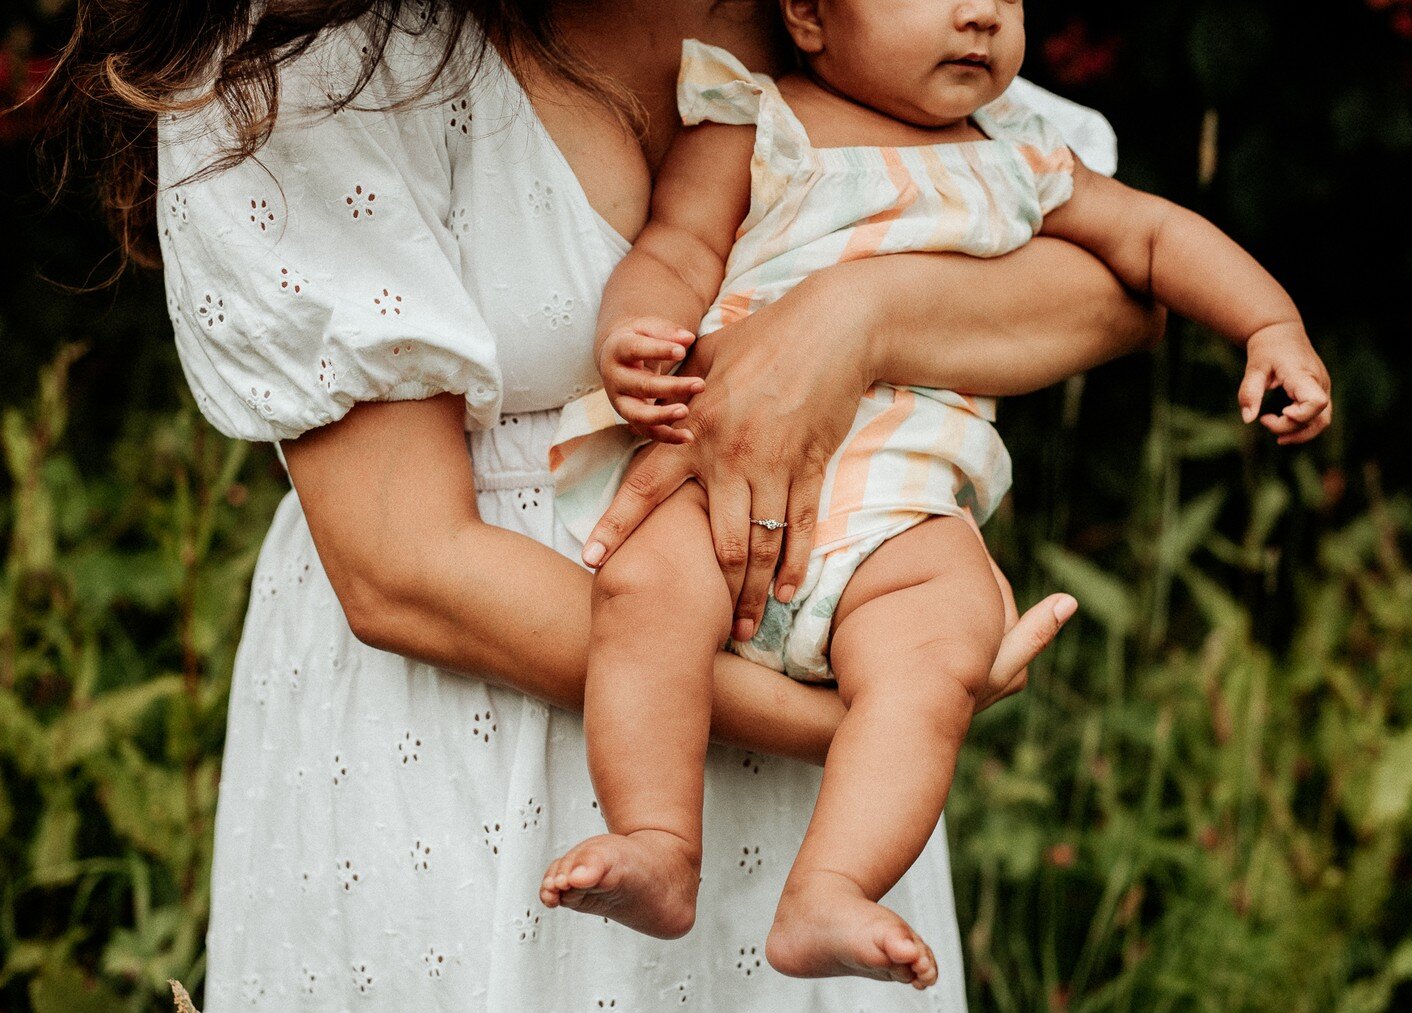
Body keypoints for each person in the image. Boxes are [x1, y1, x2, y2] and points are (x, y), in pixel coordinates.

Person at [51, 1, 1172, 1008]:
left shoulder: (854, 22)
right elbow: (404, 568)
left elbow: (1120, 276)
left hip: (829, 789)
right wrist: (880, 716)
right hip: (469, 743)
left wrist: (859, 317)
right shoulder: (296, 54)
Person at [541, 0, 1332, 992]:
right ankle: (657, 836)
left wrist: (1270, 325)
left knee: (941, 648)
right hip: (727, 484)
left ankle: (829, 887)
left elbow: (1156, 240)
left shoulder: (1021, 153)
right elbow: (675, 250)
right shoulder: (756, 120)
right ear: (809, 16)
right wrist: (641, 332)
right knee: (644, 590)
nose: (978, 14)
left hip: (901, 504)